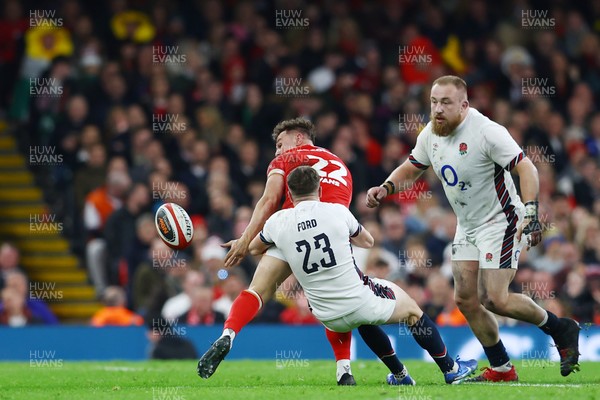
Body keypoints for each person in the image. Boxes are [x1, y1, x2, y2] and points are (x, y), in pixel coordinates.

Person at [366, 75, 580, 382]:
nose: (437, 109)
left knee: (495, 299)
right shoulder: (431, 133)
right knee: (465, 299)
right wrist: (386, 187)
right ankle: (503, 369)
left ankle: (560, 328)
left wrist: (530, 213)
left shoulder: (487, 132)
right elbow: (412, 167)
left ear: (464, 105)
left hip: (501, 220)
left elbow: (527, 168)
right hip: (467, 226)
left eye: (446, 103)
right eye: (434, 102)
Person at [198, 118, 409, 385]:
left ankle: (228, 334)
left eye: (279, 143)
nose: (277, 151)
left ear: (298, 138)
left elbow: (269, 200)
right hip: (332, 240)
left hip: (289, 232)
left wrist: (244, 239)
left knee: (257, 290)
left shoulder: (284, 160)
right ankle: (344, 370)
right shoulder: (340, 164)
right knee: (336, 303)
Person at [248, 166, 477, 384]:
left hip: (325, 314)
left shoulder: (277, 221)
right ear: (319, 189)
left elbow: (254, 248)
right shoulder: (336, 211)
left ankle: (400, 375)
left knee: (363, 318)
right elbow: (368, 241)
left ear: (289, 192)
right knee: (413, 313)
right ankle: (451, 369)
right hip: (356, 298)